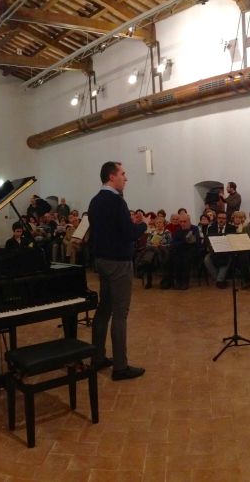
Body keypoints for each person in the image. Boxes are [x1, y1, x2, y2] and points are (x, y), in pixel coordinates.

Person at [88, 161, 147, 381]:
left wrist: (128, 223)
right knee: (120, 313)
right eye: (123, 174)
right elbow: (129, 233)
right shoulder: (116, 201)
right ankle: (120, 367)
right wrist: (143, 225)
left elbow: (110, 229)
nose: (126, 178)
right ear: (112, 176)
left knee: (104, 309)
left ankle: (97, 357)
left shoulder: (95, 200)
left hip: (102, 261)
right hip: (118, 263)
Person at [203, 211, 236, 288]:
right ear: (217, 219)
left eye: (223, 218)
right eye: (219, 218)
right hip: (214, 251)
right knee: (207, 259)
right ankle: (220, 279)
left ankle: (220, 280)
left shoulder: (232, 228)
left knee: (226, 258)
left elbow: (233, 241)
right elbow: (208, 241)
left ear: (226, 219)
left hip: (227, 251)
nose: (221, 220)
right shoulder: (211, 228)